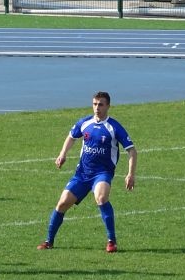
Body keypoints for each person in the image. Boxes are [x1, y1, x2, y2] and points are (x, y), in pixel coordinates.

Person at [38, 91, 137, 253]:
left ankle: (111, 241)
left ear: (108, 106)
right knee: (62, 203)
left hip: (102, 173)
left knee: (101, 198)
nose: (97, 108)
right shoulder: (84, 123)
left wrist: (130, 174)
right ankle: (49, 241)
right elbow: (71, 137)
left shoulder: (114, 127)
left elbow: (132, 151)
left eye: (101, 104)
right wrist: (63, 154)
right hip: (82, 174)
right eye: (95, 104)